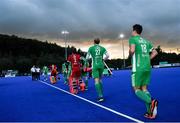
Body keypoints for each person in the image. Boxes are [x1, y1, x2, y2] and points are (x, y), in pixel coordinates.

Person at [129, 24, 158, 119]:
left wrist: (130, 54)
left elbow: (132, 50)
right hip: (147, 67)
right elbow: (155, 52)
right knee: (144, 89)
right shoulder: (146, 41)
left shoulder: (133, 39)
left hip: (137, 68)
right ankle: (150, 112)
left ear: (134, 31)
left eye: (132, 30)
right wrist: (147, 59)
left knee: (136, 89)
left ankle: (151, 101)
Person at [86, 38, 109, 102]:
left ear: (94, 42)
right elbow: (108, 55)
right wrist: (103, 59)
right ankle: (101, 93)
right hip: (101, 65)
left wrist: (90, 58)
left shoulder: (91, 48)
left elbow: (87, 58)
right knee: (100, 79)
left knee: (96, 80)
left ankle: (100, 96)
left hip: (95, 65)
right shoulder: (102, 48)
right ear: (99, 42)